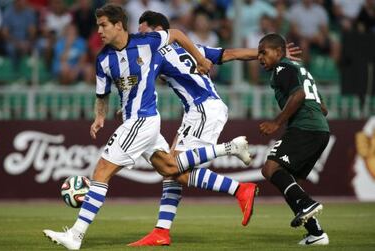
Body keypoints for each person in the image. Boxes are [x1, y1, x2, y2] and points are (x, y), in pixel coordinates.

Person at [42, 4, 252, 250]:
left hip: (143, 120)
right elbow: (102, 94)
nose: (99, 30)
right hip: (137, 120)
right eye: (98, 25)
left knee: (101, 171)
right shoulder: (103, 60)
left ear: (118, 25)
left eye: (103, 25)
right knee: (171, 169)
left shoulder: (148, 43)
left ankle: (75, 236)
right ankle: (168, 227)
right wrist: (100, 117)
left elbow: (176, 34)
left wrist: (200, 58)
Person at [128, 11, 302, 247]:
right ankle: (161, 231)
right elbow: (230, 54)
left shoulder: (156, 52)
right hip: (200, 110)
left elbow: (143, 82)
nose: (140, 37)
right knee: (171, 170)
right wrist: (265, 54)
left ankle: (240, 187)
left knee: (173, 168)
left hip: (202, 110)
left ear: (159, 30)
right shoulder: (190, 47)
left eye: (143, 31)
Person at [257, 33, 330, 245]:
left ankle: (307, 203)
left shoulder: (282, 68)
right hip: (320, 129)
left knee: (270, 169)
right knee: (291, 183)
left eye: (264, 52)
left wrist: (276, 123)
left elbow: (298, 95)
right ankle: (316, 234)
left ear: (279, 52)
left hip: (305, 127)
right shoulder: (301, 70)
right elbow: (323, 108)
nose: (260, 57)